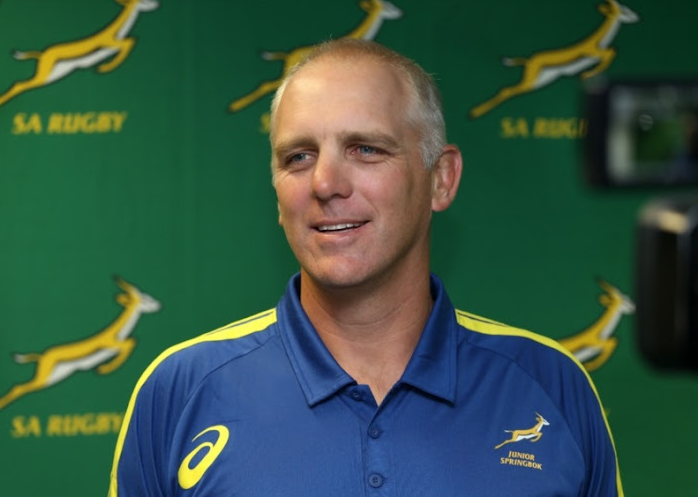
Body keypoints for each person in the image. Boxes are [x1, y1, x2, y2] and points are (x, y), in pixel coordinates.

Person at [109, 39, 622, 496]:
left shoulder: (551, 385)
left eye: (366, 149)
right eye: (298, 157)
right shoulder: (180, 391)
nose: (326, 183)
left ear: (441, 179)